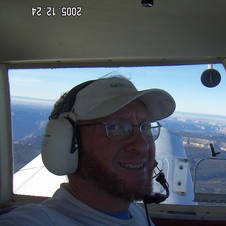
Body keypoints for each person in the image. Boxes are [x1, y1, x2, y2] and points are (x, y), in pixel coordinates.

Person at [0, 75, 176, 226]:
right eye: (115, 127)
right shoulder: (36, 221)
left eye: (145, 126)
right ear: (67, 142)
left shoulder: (136, 213)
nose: (142, 145)